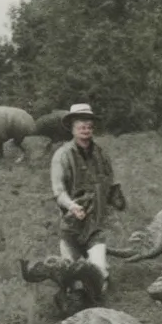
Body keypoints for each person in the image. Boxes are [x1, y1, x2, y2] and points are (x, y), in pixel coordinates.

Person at [50, 102, 126, 297]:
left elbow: (111, 183)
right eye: (80, 124)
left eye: (89, 125)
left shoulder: (101, 154)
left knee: (98, 272)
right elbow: (58, 192)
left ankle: (98, 299)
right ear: (72, 128)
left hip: (96, 225)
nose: (85, 128)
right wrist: (71, 205)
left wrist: (117, 199)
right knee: (71, 279)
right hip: (71, 226)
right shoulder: (62, 156)